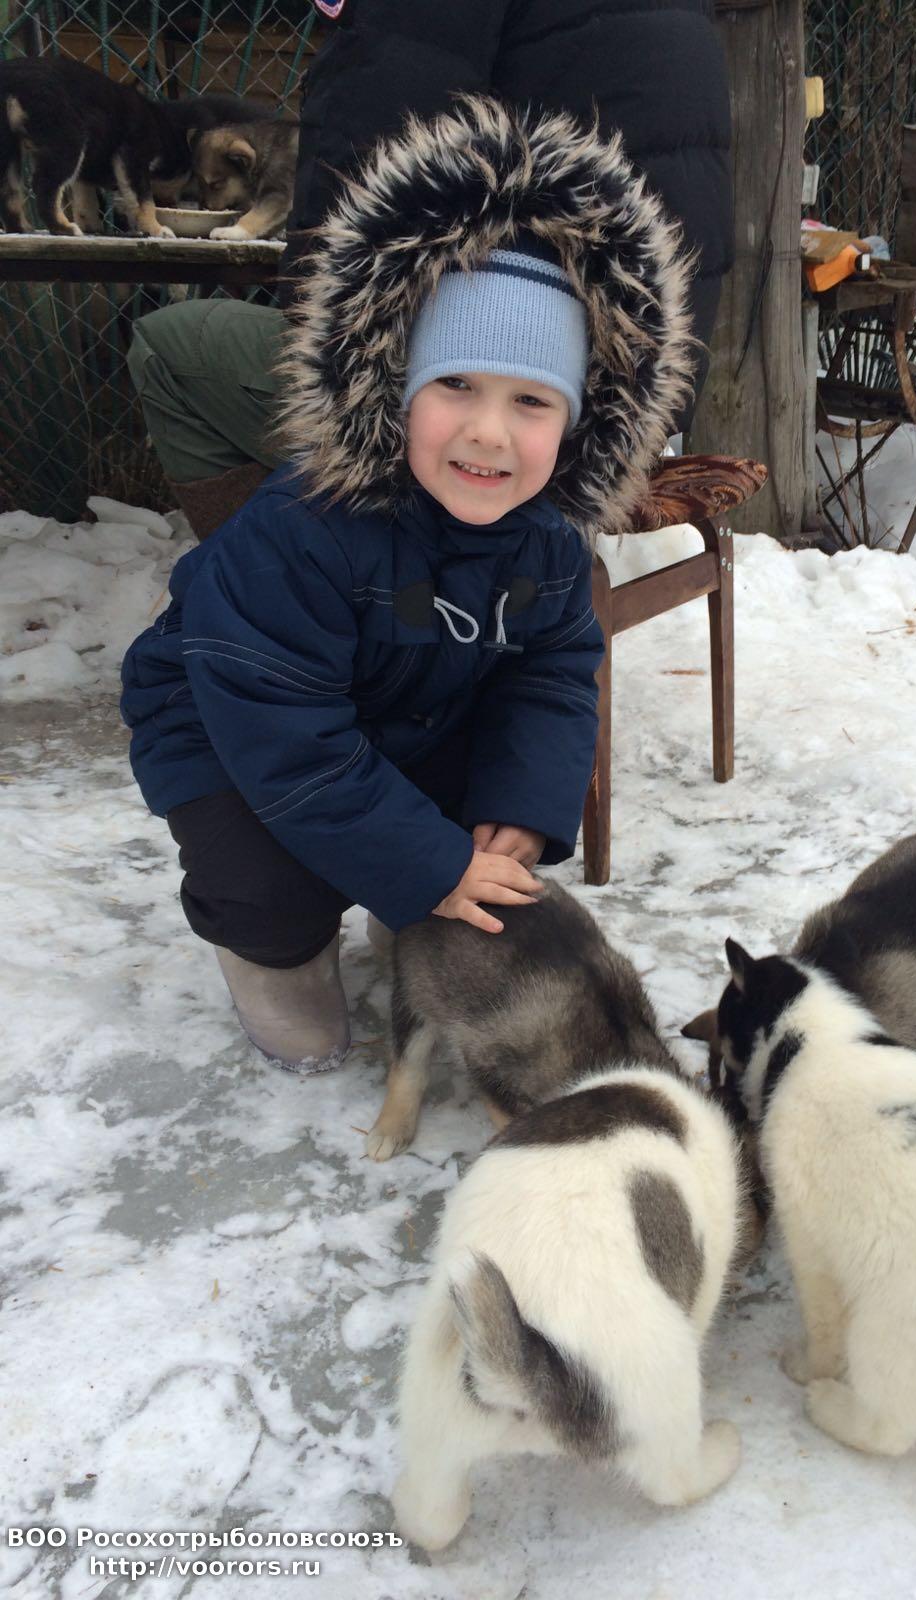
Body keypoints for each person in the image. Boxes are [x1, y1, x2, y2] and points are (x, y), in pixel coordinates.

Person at [119, 96, 695, 1074]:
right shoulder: (306, 527)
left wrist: (521, 801)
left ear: (579, 422)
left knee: (471, 830)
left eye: (530, 401)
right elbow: (287, 740)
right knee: (271, 874)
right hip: (231, 731)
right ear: (395, 387)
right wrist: (427, 859)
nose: (487, 432)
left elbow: (551, 670)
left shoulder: (549, 541)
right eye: (455, 385)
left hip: (404, 709)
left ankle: (415, 898)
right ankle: (271, 946)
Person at [127, 0, 732, 537]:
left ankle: (314, 564)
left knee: (168, 346)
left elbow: (369, 147)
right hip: (639, 394)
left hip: (538, 387)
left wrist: (322, 342)